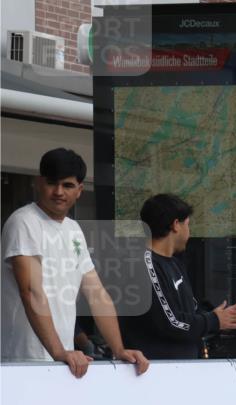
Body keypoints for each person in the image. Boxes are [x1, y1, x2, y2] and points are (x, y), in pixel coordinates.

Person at [1, 148, 149, 378]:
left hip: (63, 360)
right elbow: (30, 291)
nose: (59, 192)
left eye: (68, 185)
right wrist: (58, 351)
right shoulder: (24, 222)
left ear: (80, 190)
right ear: (38, 183)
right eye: (52, 183)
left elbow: (97, 293)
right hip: (23, 359)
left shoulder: (73, 229)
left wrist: (118, 349)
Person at [120, 194, 236, 359]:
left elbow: (190, 311)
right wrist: (214, 320)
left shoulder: (174, 263)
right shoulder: (144, 265)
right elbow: (171, 322)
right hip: (157, 369)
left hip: (185, 366)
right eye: (188, 224)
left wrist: (219, 318)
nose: (189, 232)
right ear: (176, 225)